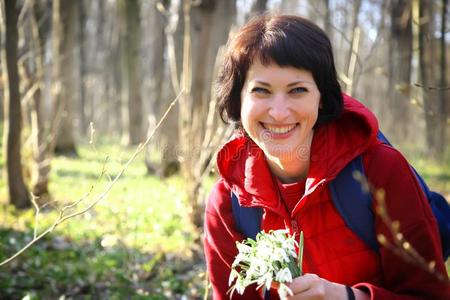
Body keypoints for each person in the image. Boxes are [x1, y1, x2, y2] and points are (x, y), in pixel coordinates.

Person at [203, 14, 449, 300]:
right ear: (238, 100)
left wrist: (347, 297)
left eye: (298, 90)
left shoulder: (379, 171)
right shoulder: (227, 204)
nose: (279, 112)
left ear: (321, 98)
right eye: (261, 91)